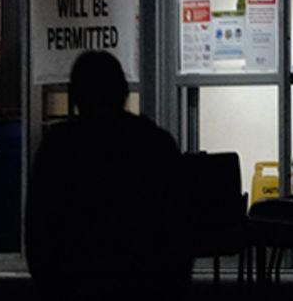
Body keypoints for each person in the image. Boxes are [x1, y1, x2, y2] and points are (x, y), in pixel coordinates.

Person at [26, 51, 189, 300]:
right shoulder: (153, 142)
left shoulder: (59, 147)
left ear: (76, 96)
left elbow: (39, 228)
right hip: (144, 282)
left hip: (74, 283)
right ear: (123, 92)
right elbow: (177, 225)